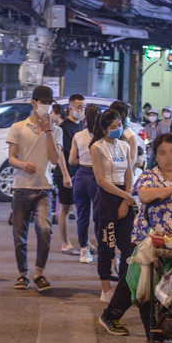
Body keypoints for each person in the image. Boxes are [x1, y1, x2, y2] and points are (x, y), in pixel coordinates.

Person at [98, 134, 172, 336]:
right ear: (156, 156)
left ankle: (114, 316)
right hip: (145, 239)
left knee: (155, 282)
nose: (169, 157)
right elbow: (144, 195)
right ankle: (153, 334)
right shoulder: (149, 175)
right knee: (143, 284)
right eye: (162, 153)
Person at [5, 86, 63, 292]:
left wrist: (48, 130)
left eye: (49, 103)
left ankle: (39, 272)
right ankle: (22, 274)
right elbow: (11, 158)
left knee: (45, 230)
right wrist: (23, 164)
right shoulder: (18, 127)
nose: (46, 106)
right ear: (34, 103)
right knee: (19, 234)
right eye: (43, 102)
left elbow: (55, 159)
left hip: (44, 189)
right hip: (21, 188)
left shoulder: (56, 130)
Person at [90, 109, 136, 303]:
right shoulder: (97, 147)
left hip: (125, 199)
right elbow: (100, 180)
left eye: (119, 126)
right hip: (107, 200)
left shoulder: (125, 146)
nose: (117, 129)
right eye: (113, 127)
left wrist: (126, 200)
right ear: (104, 128)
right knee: (106, 247)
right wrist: (125, 196)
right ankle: (106, 289)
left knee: (129, 249)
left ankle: (125, 287)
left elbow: (129, 173)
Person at [53, 94, 85, 256]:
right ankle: (65, 243)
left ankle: (84, 242)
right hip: (65, 173)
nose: (82, 110)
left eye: (84, 107)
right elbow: (60, 153)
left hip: (79, 174)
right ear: (70, 108)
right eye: (79, 107)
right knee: (65, 208)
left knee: (81, 209)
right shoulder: (65, 127)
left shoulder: (82, 126)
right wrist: (66, 175)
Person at [70, 104, 100, 264]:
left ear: (85, 118)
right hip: (96, 177)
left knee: (82, 216)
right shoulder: (102, 136)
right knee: (99, 216)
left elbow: (71, 160)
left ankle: (84, 251)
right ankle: (102, 249)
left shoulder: (78, 135)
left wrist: (83, 159)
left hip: (81, 176)